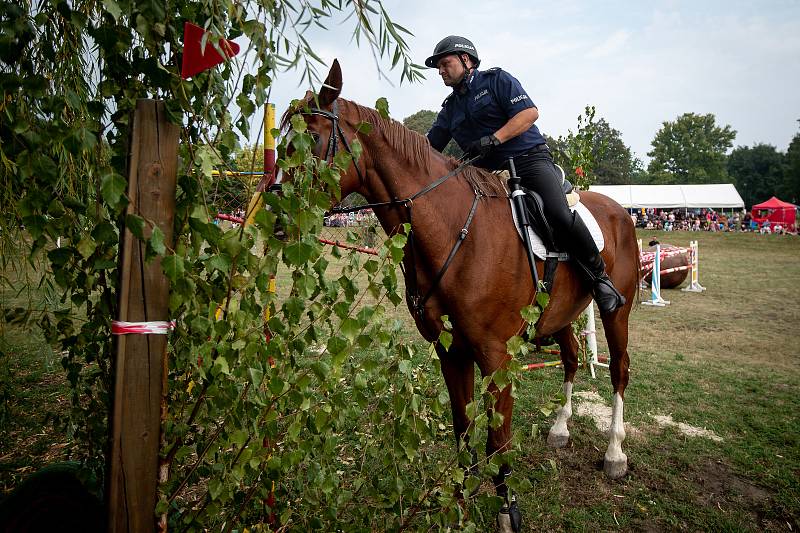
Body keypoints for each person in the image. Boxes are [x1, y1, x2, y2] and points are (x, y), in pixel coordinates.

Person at [423, 36, 625, 314]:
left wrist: (494, 138)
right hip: (486, 175)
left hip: (528, 160)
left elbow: (529, 113)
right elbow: (428, 146)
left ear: (466, 60)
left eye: (445, 64)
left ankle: (600, 279)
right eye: (438, 67)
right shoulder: (450, 108)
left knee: (557, 213)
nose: (440, 71)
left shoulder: (497, 81)